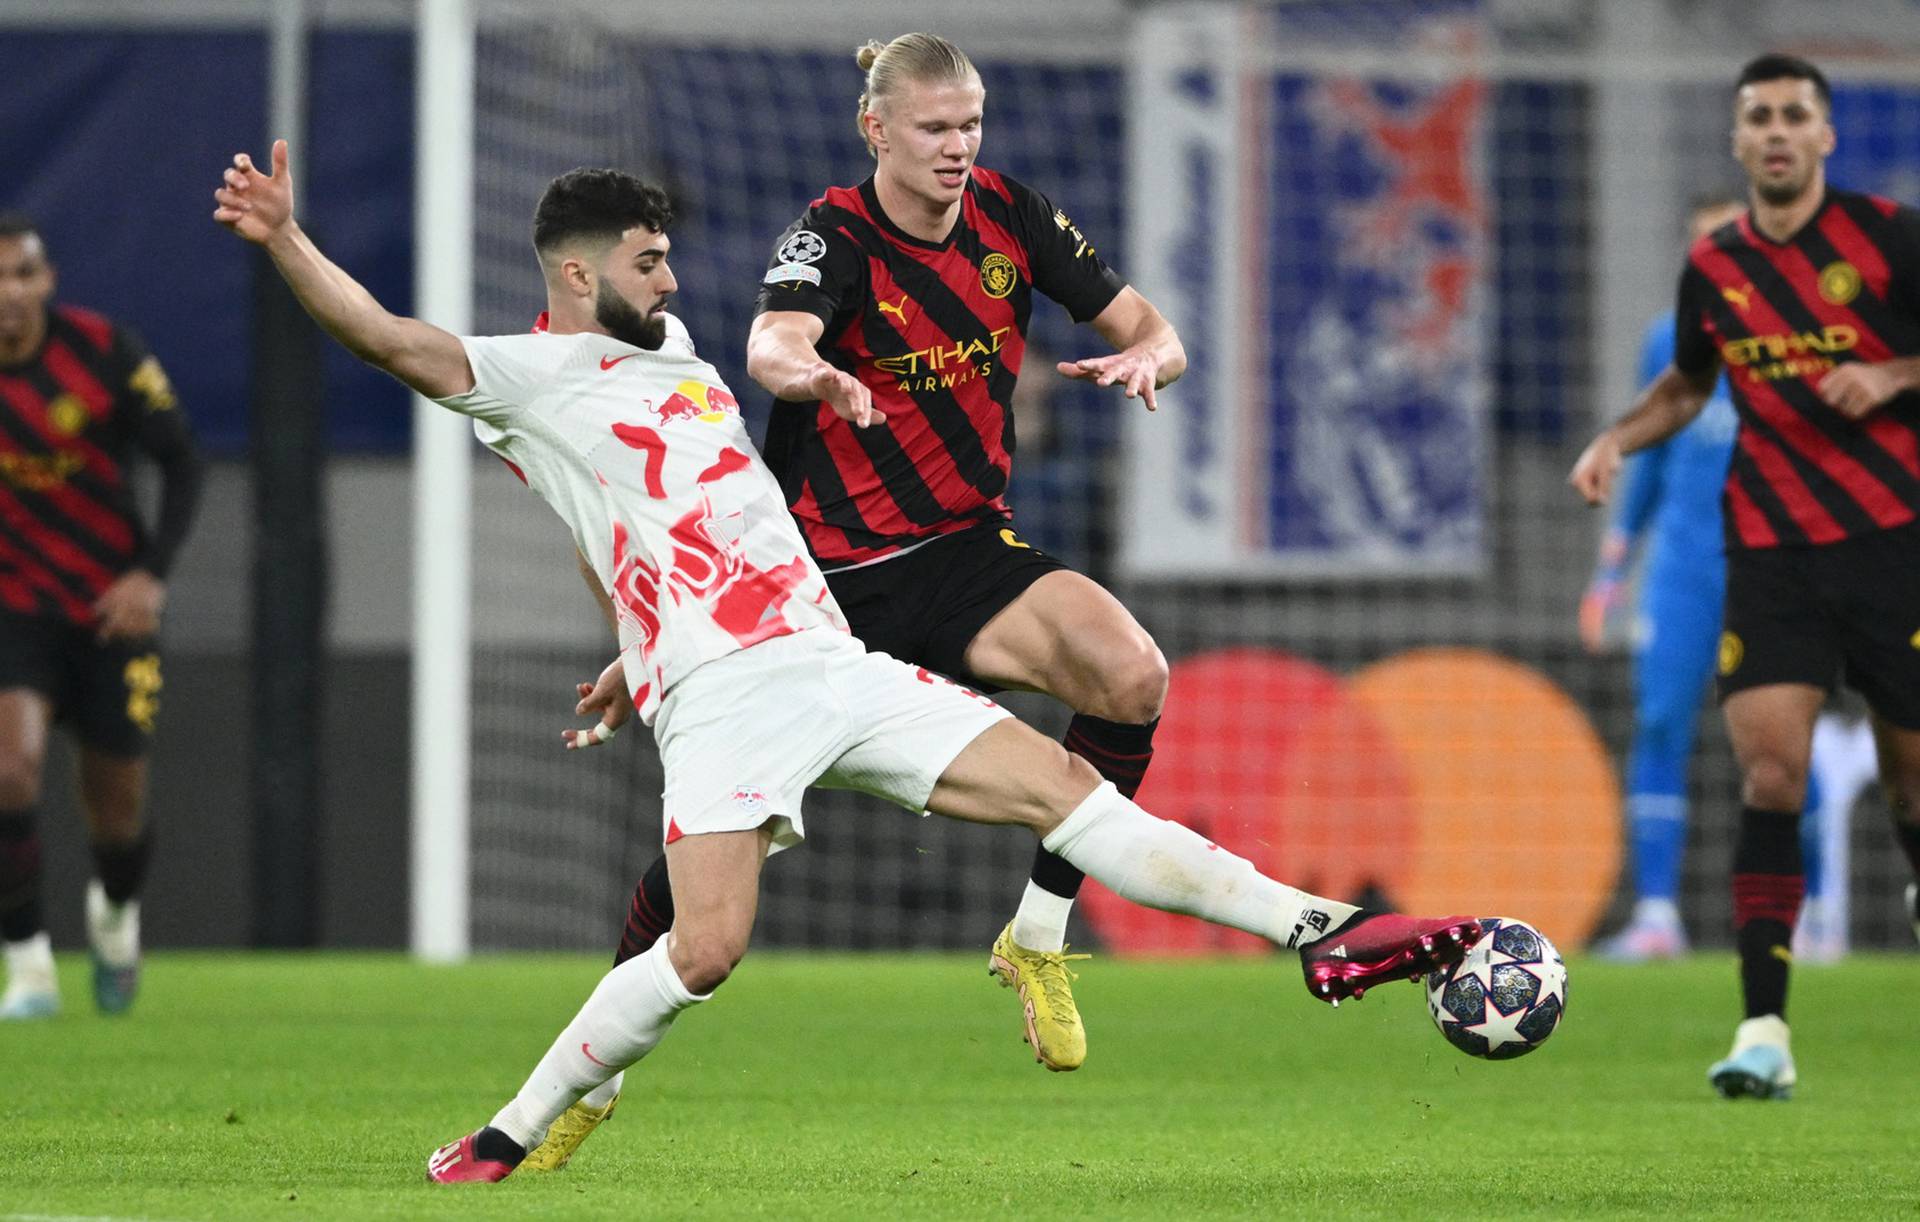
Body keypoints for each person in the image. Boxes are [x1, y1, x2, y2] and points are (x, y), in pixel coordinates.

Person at [210, 145, 1483, 1183]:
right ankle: (509, 1134)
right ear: (580, 273)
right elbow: (385, 337)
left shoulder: (670, 356)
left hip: (828, 654)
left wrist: (624, 639)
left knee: (1069, 793)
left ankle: (1329, 931)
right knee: (706, 951)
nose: (668, 276)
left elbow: (661, 525)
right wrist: (286, 239)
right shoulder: (530, 374)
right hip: (720, 693)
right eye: (647, 262)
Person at [595, 32, 1185, 1092]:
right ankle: (598, 1055)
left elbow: (1151, 325)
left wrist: (1153, 353)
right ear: (877, 129)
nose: (957, 148)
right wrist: (813, 375)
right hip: (822, 588)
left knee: (1132, 672)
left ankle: (1038, 940)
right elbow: (773, 341)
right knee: (720, 871)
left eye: (969, 126)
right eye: (934, 128)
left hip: (964, 553)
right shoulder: (832, 238)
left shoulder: (1013, 215)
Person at [1571, 53, 1920, 1101]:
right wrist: (1618, 439)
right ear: (1737, 140)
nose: (1774, 130)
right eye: (1757, 116)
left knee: (1912, 782)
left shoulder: (1890, 238)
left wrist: (1896, 371)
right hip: (1767, 554)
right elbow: (1688, 381)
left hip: (1893, 547)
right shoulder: (1715, 267)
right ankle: (1763, 1026)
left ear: (1825, 136)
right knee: (1769, 772)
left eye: (1793, 115)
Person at [1580, 196, 1863, 963]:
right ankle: (1657, 916)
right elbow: (1649, 464)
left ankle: (1814, 917)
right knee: (1662, 722)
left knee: (1787, 746)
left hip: (1780, 567)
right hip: (1682, 568)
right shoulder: (1666, 343)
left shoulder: (1814, 345)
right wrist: (1610, 573)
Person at [0, 213, 203, 1020]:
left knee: (116, 817)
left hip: (111, 614)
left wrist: (149, 578)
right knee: (10, 771)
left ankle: (115, 919)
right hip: (15, 611)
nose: (8, 296)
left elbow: (183, 461)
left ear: (46, 281)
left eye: (20, 276)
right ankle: (29, 970)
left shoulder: (104, 351)